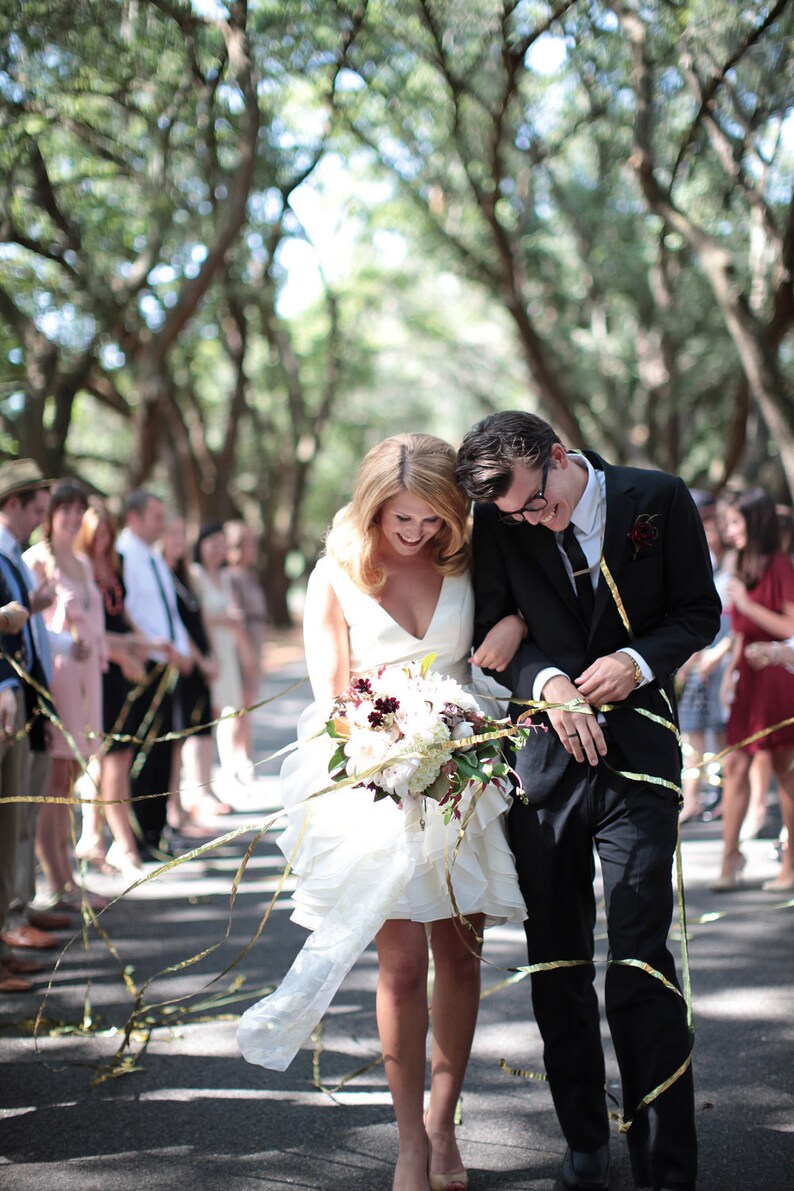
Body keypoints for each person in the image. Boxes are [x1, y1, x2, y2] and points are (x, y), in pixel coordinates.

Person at [238, 434, 527, 1191]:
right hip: (378, 781)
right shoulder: (335, 573)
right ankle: (405, 1140)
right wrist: (397, 745)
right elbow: (332, 698)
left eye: (433, 518)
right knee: (399, 966)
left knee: (460, 956)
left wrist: (514, 626)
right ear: (373, 504)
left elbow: (525, 608)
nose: (419, 532)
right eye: (404, 517)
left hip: (465, 778)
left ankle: (443, 1126)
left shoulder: (472, 555)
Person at [455, 411, 721, 1191]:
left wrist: (637, 662)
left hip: (639, 762)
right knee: (559, 960)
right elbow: (496, 633)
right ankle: (583, 1141)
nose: (533, 520)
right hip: (544, 769)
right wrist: (546, 682)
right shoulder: (500, 519)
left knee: (639, 958)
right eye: (516, 516)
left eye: (538, 502)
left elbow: (698, 613)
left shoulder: (659, 498)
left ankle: (666, 1164)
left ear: (560, 457)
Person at [0, 460, 73, 958]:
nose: (40, 524)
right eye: (36, 511)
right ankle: (9, 915)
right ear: (12, 504)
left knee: (24, 807)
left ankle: (18, 905)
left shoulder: (14, 558)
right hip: (12, 692)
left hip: (29, 694)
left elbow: (25, 625)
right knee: (12, 811)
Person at [713, 489, 794, 893]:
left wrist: (745, 602)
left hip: (777, 675)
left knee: (784, 769)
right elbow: (740, 635)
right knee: (735, 767)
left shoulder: (779, 566)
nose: (728, 530)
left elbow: (790, 628)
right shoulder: (740, 565)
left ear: (755, 521)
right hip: (746, 678)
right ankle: (730, 857)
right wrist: (730, 672)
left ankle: (790, 865)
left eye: (735, 522)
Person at [73, 499, 150, 875]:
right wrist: (125, 652)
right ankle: (121, 842)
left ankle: (94, 836)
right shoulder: (83, 566)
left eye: (108, 533)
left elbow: (124, 614)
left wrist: (143, 641)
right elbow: (91, 630)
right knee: (109, 759)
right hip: (103, 669)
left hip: (123, 666)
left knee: (111, 760)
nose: (103, 540)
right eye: (96, 534)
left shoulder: (114, 563)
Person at [117, 492, 192, 861]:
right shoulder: (124, 554)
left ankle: (156, 829)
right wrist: (155, 646)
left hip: (168, 663)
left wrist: (181, 649)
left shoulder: (154, 557)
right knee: (143, 751)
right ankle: (139, 833)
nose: (162, 524)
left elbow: (168, 611)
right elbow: (129, 610)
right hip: (144, 666)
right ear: (134, 517)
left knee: (163, 748)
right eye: (155, 516)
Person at [160, 514, 226, 828]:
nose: (177, 540)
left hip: (200, 665)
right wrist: (200, 660)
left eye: (180, 534)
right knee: (177, 739)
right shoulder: (162, 573)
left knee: (199, 731)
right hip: (184, 666)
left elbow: (200, 621)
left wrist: (211, 657)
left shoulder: (186, 574)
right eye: (171, 534)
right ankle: (173, 806)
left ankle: (185, 805)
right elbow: (177, 627)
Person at [676, 491, 732, 823]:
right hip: (698, 654)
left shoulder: (734, 563)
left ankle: (722, 792)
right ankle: (693, 797)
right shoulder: (693, 558)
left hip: (722, 654)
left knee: (720, 731)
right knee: (693, 730)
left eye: (712, 520)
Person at [189, 523, 248, 789]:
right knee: (208, 717)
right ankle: (202, 781)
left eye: (221, 543)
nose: (217, 548)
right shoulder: (195, 574)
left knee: (231, 712)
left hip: (228, 650)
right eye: (212, 542)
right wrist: (224, 618)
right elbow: (196, 617)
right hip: (209, 649)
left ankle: (228, 771)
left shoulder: (225, 577)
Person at [224, 519, 267, 777]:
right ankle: (234, 762)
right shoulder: (232, 577)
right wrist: (247, 652)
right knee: (239, 706)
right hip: (243, 645)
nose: (254, 548)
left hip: (256, 637)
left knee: (248, 704)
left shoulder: (250, 575)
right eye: (249, 543)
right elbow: (236, 617)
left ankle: (246, 757)